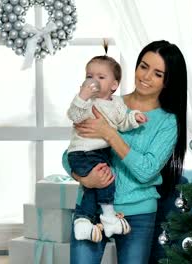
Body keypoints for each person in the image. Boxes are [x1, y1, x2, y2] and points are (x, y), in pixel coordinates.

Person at [62, 40, 187, 264]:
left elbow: (147, 171)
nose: (146, 76)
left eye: (158, 73)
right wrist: (84, 178)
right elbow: (71, 152)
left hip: (138, 212)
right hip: (90, 206)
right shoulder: (106, 102)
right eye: (143, 66)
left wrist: (110, 134)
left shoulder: (168, 122)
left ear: (168, 81)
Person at [67, 55, 148, 242]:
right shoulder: (86, 101)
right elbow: (74, 115)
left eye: (101, 77)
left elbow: (122, 122)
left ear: (114, 85)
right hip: (82, 152)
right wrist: (82, 97)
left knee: (95, 187)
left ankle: (83, 222)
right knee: (106, 180)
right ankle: (108, 217)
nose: (93, 81)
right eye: (89, 76)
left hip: (100, 152)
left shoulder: (118, 103)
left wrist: (134, 118)